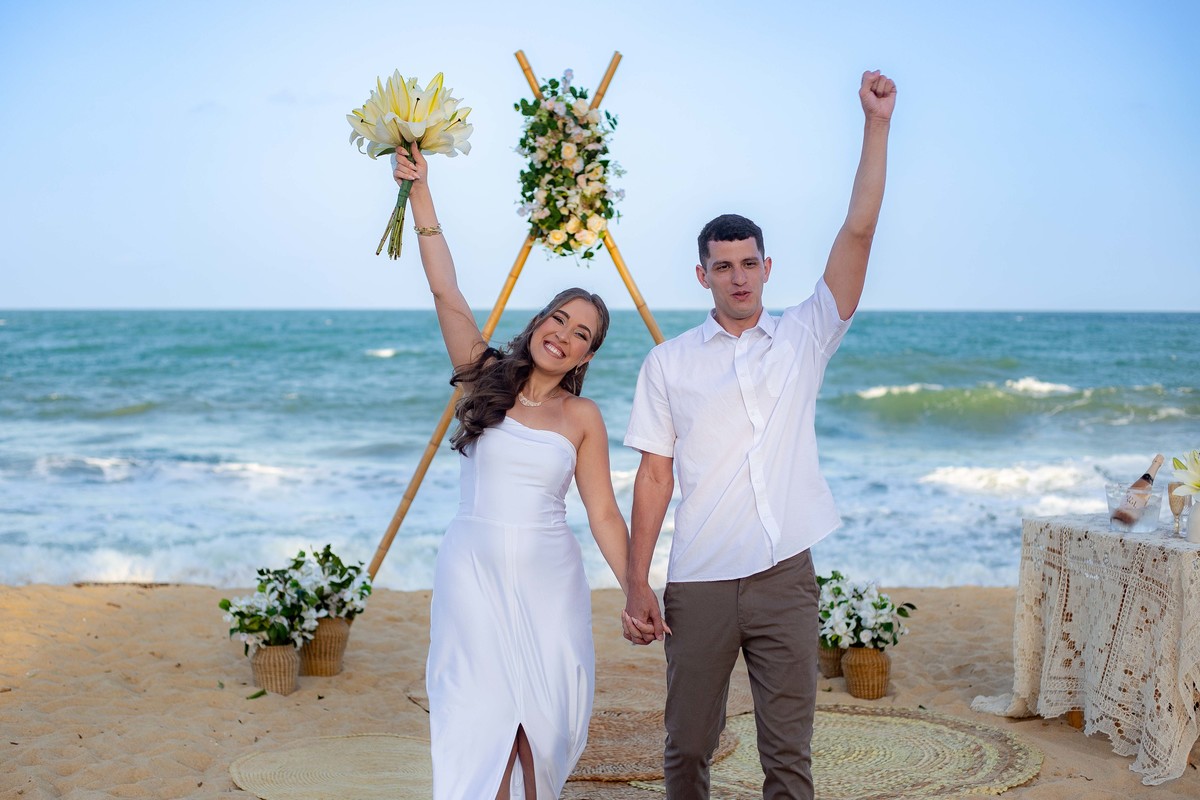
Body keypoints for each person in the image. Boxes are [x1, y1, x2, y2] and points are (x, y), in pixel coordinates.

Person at [620, 70, 897, 799]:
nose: (739, 278)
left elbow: (859, 230)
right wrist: (634, 580)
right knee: (686, 747)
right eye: (724, 267)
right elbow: (653, 478)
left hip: (784, 578)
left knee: (788, 755)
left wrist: (877, 125)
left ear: (767, 268)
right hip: (700, 579)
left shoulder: (806, 335)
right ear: (703, 275)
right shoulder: (668, 363)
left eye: (749, 264)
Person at [392, 143, 630, 800]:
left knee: (541, 734)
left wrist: (637, 586)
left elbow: (604, 513)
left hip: (550, 583)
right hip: (472, 572)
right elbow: (445, 288)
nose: (565, 333)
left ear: (586, 353)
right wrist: (420, 192)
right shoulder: (484, 372)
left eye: (582, 332)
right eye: (560, 317)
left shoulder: (582, 417)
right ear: (539, 322)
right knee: (482, 721)